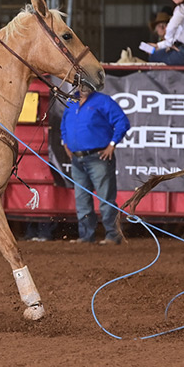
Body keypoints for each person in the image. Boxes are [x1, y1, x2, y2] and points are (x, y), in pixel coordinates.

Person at [60, 81, 131, 246]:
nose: (80, 87)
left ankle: (112, 235)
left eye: (84, 84)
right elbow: (64, 124)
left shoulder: (103, 101)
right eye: (79, 84)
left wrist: (112, 144)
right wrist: (65, 142)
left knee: (105, 198)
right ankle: (87, 235)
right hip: (79, 158)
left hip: (98, 156)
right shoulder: (71, 102)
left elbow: (122, 122)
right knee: (82, 198)